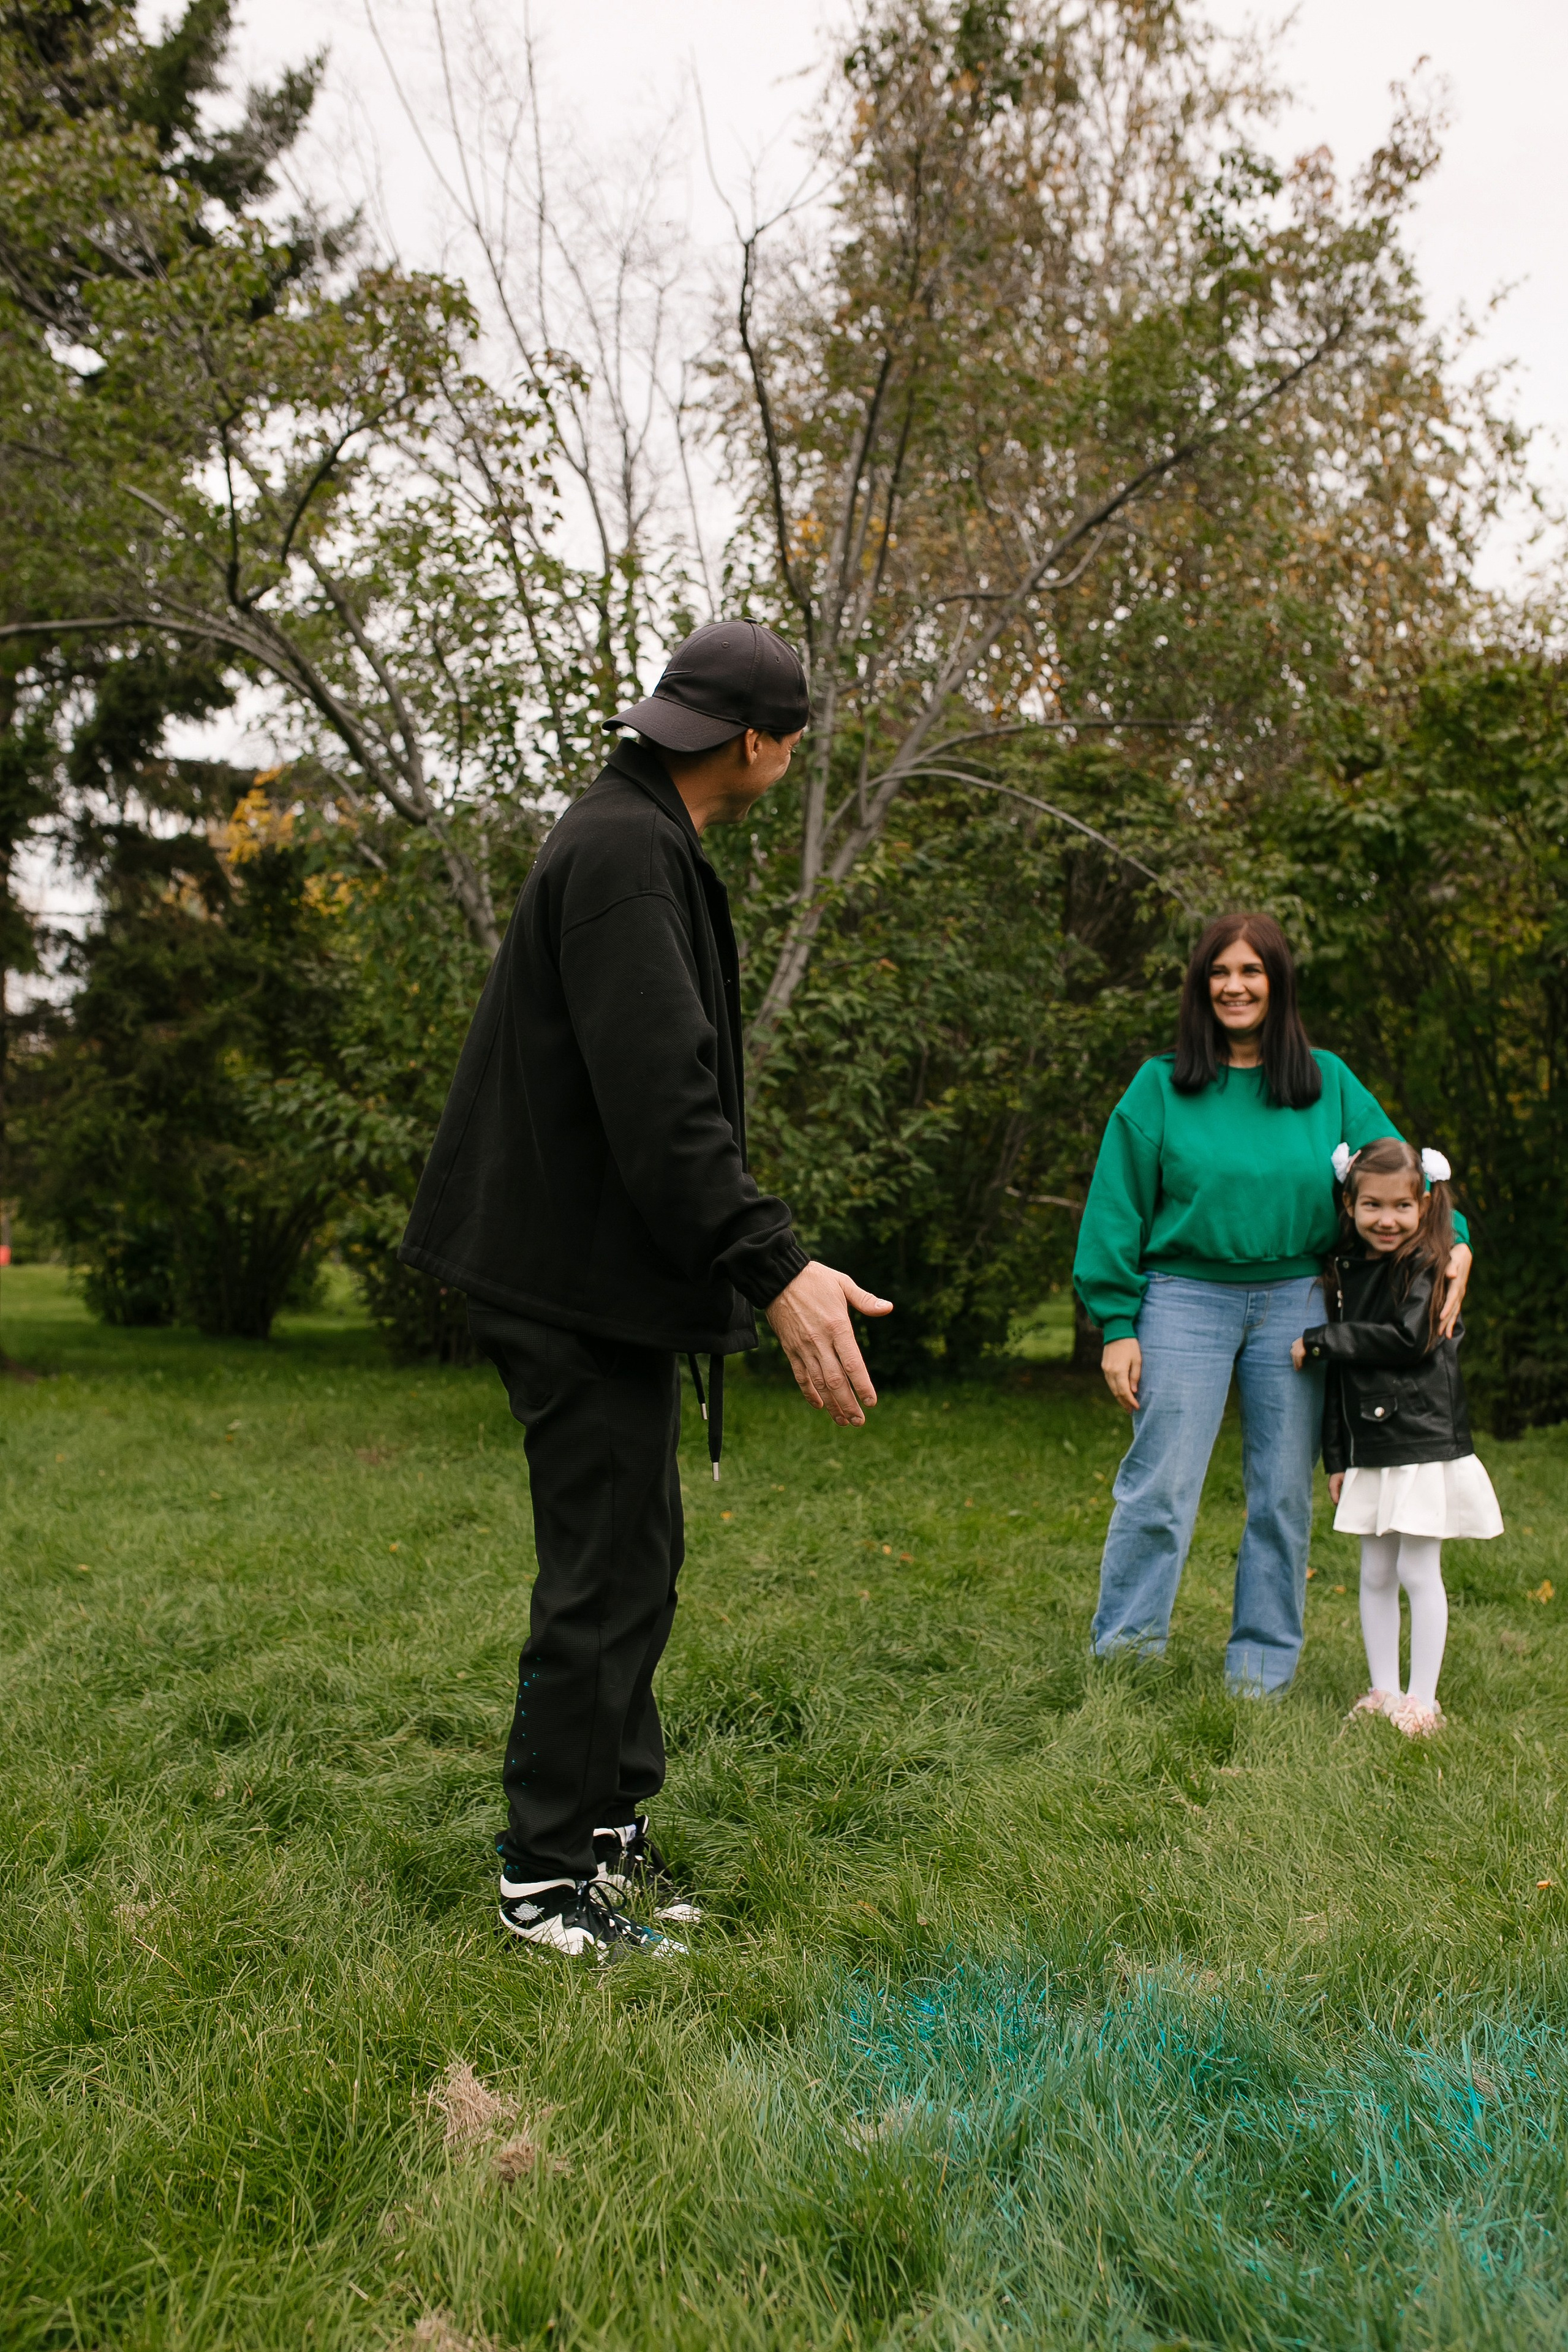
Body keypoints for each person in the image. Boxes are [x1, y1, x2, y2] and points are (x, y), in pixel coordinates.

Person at [401, 620, 892, 1958]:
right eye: (795, 734)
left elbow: (663, 1104)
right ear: (759, 743)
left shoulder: (632, 833)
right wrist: (773, 1268)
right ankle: (542, 1882)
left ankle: (604, 1831)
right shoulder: (623, 851)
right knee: (601, 1570)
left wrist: (771, 1259)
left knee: (639, 1554)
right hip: (563, 1276)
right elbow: (661, 1105)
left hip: (588, 1273)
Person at [1072, 912, 1472, 1694]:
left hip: (1297, 1303)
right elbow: (1114, 1207)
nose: (1234, 986)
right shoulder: (1160, 1086)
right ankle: (1124, 1658)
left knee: (1283, 1496)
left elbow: (1399, 1177)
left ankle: (1259, 1672)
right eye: (1219, 973)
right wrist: (1117, 1323)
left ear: (1277, 984)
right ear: (1200, 987)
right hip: (1182, 1299)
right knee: (1158, 1488)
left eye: (1251, 972)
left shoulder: (1326, 1082)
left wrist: (1453, 1236)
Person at [1293, 1137, 1502, 1736]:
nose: (1386, 1220)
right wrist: (1339, 1456)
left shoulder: (1429, 1265)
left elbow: (1407, 1340)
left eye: (1401, 1208)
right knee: (1375, 1573)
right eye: (1372, 1207)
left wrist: (1318, 1339)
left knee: (1417, 1570)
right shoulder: (1344, 1272)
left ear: (1425, 1205)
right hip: (1371, 1447)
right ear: (1350, 1206)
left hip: (1419, 1440)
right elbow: (1343, 1380)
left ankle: (1422, 1699)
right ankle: (1384, 1688)